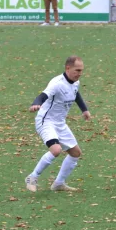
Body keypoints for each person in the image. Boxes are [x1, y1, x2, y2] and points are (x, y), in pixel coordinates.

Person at [25, 56, 92, 192]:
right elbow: (43, 95)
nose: (80, 73)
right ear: (68, 68)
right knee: (56, 150)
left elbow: (76, 94)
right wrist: (36, 103)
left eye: (81, 71)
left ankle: (59, 183)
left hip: (60, 123)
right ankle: (32, 178)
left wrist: (84, 110)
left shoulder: (75, 82)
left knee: (75, 153)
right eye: (77, 70)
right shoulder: (56, 83)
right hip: (46, 121)